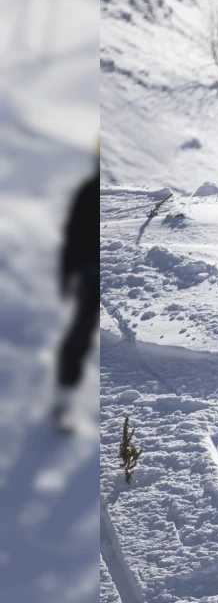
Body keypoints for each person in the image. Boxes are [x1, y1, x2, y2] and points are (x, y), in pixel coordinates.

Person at [51, 157, 99, 432]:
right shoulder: (89, 192)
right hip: (91, 276)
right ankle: (65, 398)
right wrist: (67, 274)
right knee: (81, 334)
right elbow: (72, 234)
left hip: (112, 276)